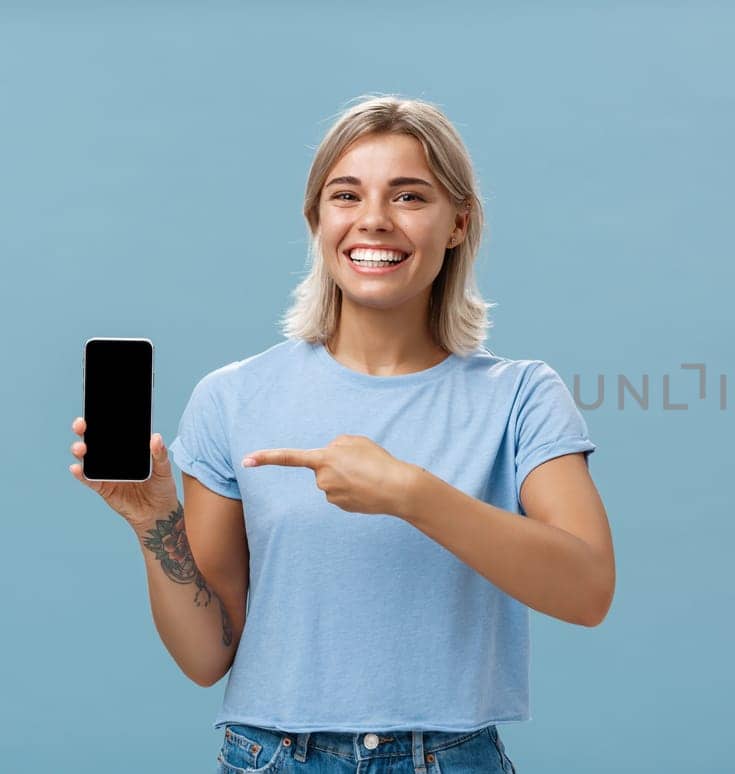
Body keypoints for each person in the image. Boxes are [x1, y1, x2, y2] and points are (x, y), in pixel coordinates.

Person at [68, 94, 613, 773]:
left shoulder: (522, 397)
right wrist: (154, 522)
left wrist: (411, 493)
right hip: (271, 757)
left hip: (447, 759)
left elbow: (588, 590)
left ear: (458, 225)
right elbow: (208, 655)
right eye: (346, 196)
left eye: (410, 196)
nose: (374, 221)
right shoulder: (232, 398)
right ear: (317, 220)